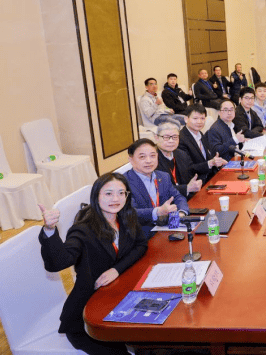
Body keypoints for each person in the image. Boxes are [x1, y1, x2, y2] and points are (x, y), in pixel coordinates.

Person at [38, 173, 147, 354]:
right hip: (87, 319)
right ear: (96, 196)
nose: (116, 199)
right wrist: (49, 230)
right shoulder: (83, 229)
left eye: (121, 193)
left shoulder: (127, 216)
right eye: (108, 193)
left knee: (152, 338)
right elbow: (58, 263)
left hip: (116, 300)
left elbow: (141, 245)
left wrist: (116, 269)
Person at [124, 139, 190, 238]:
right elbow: (130, 212)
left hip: (166, 230)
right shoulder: (124, 182)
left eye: (152, 156)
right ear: (131, 160)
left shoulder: (163, 176)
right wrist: (157, 212)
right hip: (142, 236)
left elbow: (178, 197)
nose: (149, 161)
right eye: (142, 157)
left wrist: (181, 213)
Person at [177, 104, 226, 183]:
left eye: (202, 118)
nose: (199, 122)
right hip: (196, 182)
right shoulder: (180, 139)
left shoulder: (200, 134)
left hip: (210, 177)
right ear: (186, 119)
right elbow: (188, 168)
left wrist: (217, 161)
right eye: (195, 118)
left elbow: (207, 158)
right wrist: (210, 163)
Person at [155, 121, 202, 200]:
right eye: (166, 137)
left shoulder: (182, 154)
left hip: (186, 199)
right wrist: (186, 188)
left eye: (175, 137)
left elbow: (191, 175)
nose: (171, 141)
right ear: (156, 138)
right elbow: (158, 189)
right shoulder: (152, 159)